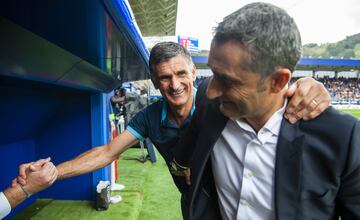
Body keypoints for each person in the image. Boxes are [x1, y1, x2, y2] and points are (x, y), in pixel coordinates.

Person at [15, 42, 330, 217]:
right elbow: (106, 152)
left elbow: (264, 93)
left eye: (181, 73)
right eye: (164, 78)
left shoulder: (217, 97)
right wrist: (54, 173)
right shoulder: (150, 117)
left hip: (242, 203)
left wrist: (306, 84)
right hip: (195, 206)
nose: (175, 84)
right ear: (154, 81)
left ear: (194, 72)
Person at [172, 3, 360, 220]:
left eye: (227, 81)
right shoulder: (209, 102)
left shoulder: (342, 137)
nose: (213, 91)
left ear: (278, 81)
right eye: (214, 73)